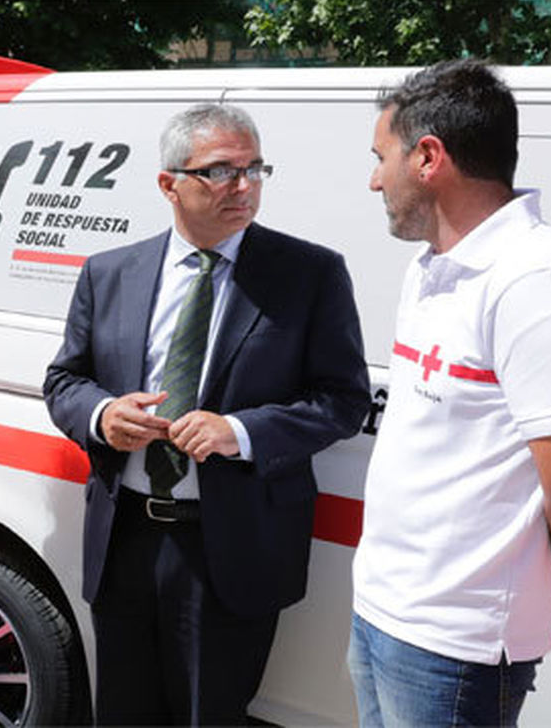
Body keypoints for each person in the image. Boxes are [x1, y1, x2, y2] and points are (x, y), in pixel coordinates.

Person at [43, 103, 370, 725]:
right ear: (170, 183)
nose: (243, 187)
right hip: (125, 540)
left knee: (209, 714)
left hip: (231, 545)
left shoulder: (309, 274)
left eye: (254, 169)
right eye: (221, 171)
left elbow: (343, 399)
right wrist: (103, 414)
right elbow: (64, 380)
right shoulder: (111, 272)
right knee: (122, 711)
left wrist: (240, 432)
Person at [351, 58, 551, 727]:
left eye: (383, 157)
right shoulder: (434, 267)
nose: (375, 178)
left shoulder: (542, 280)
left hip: (455, 646)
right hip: (382, 611)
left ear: (429, 157)